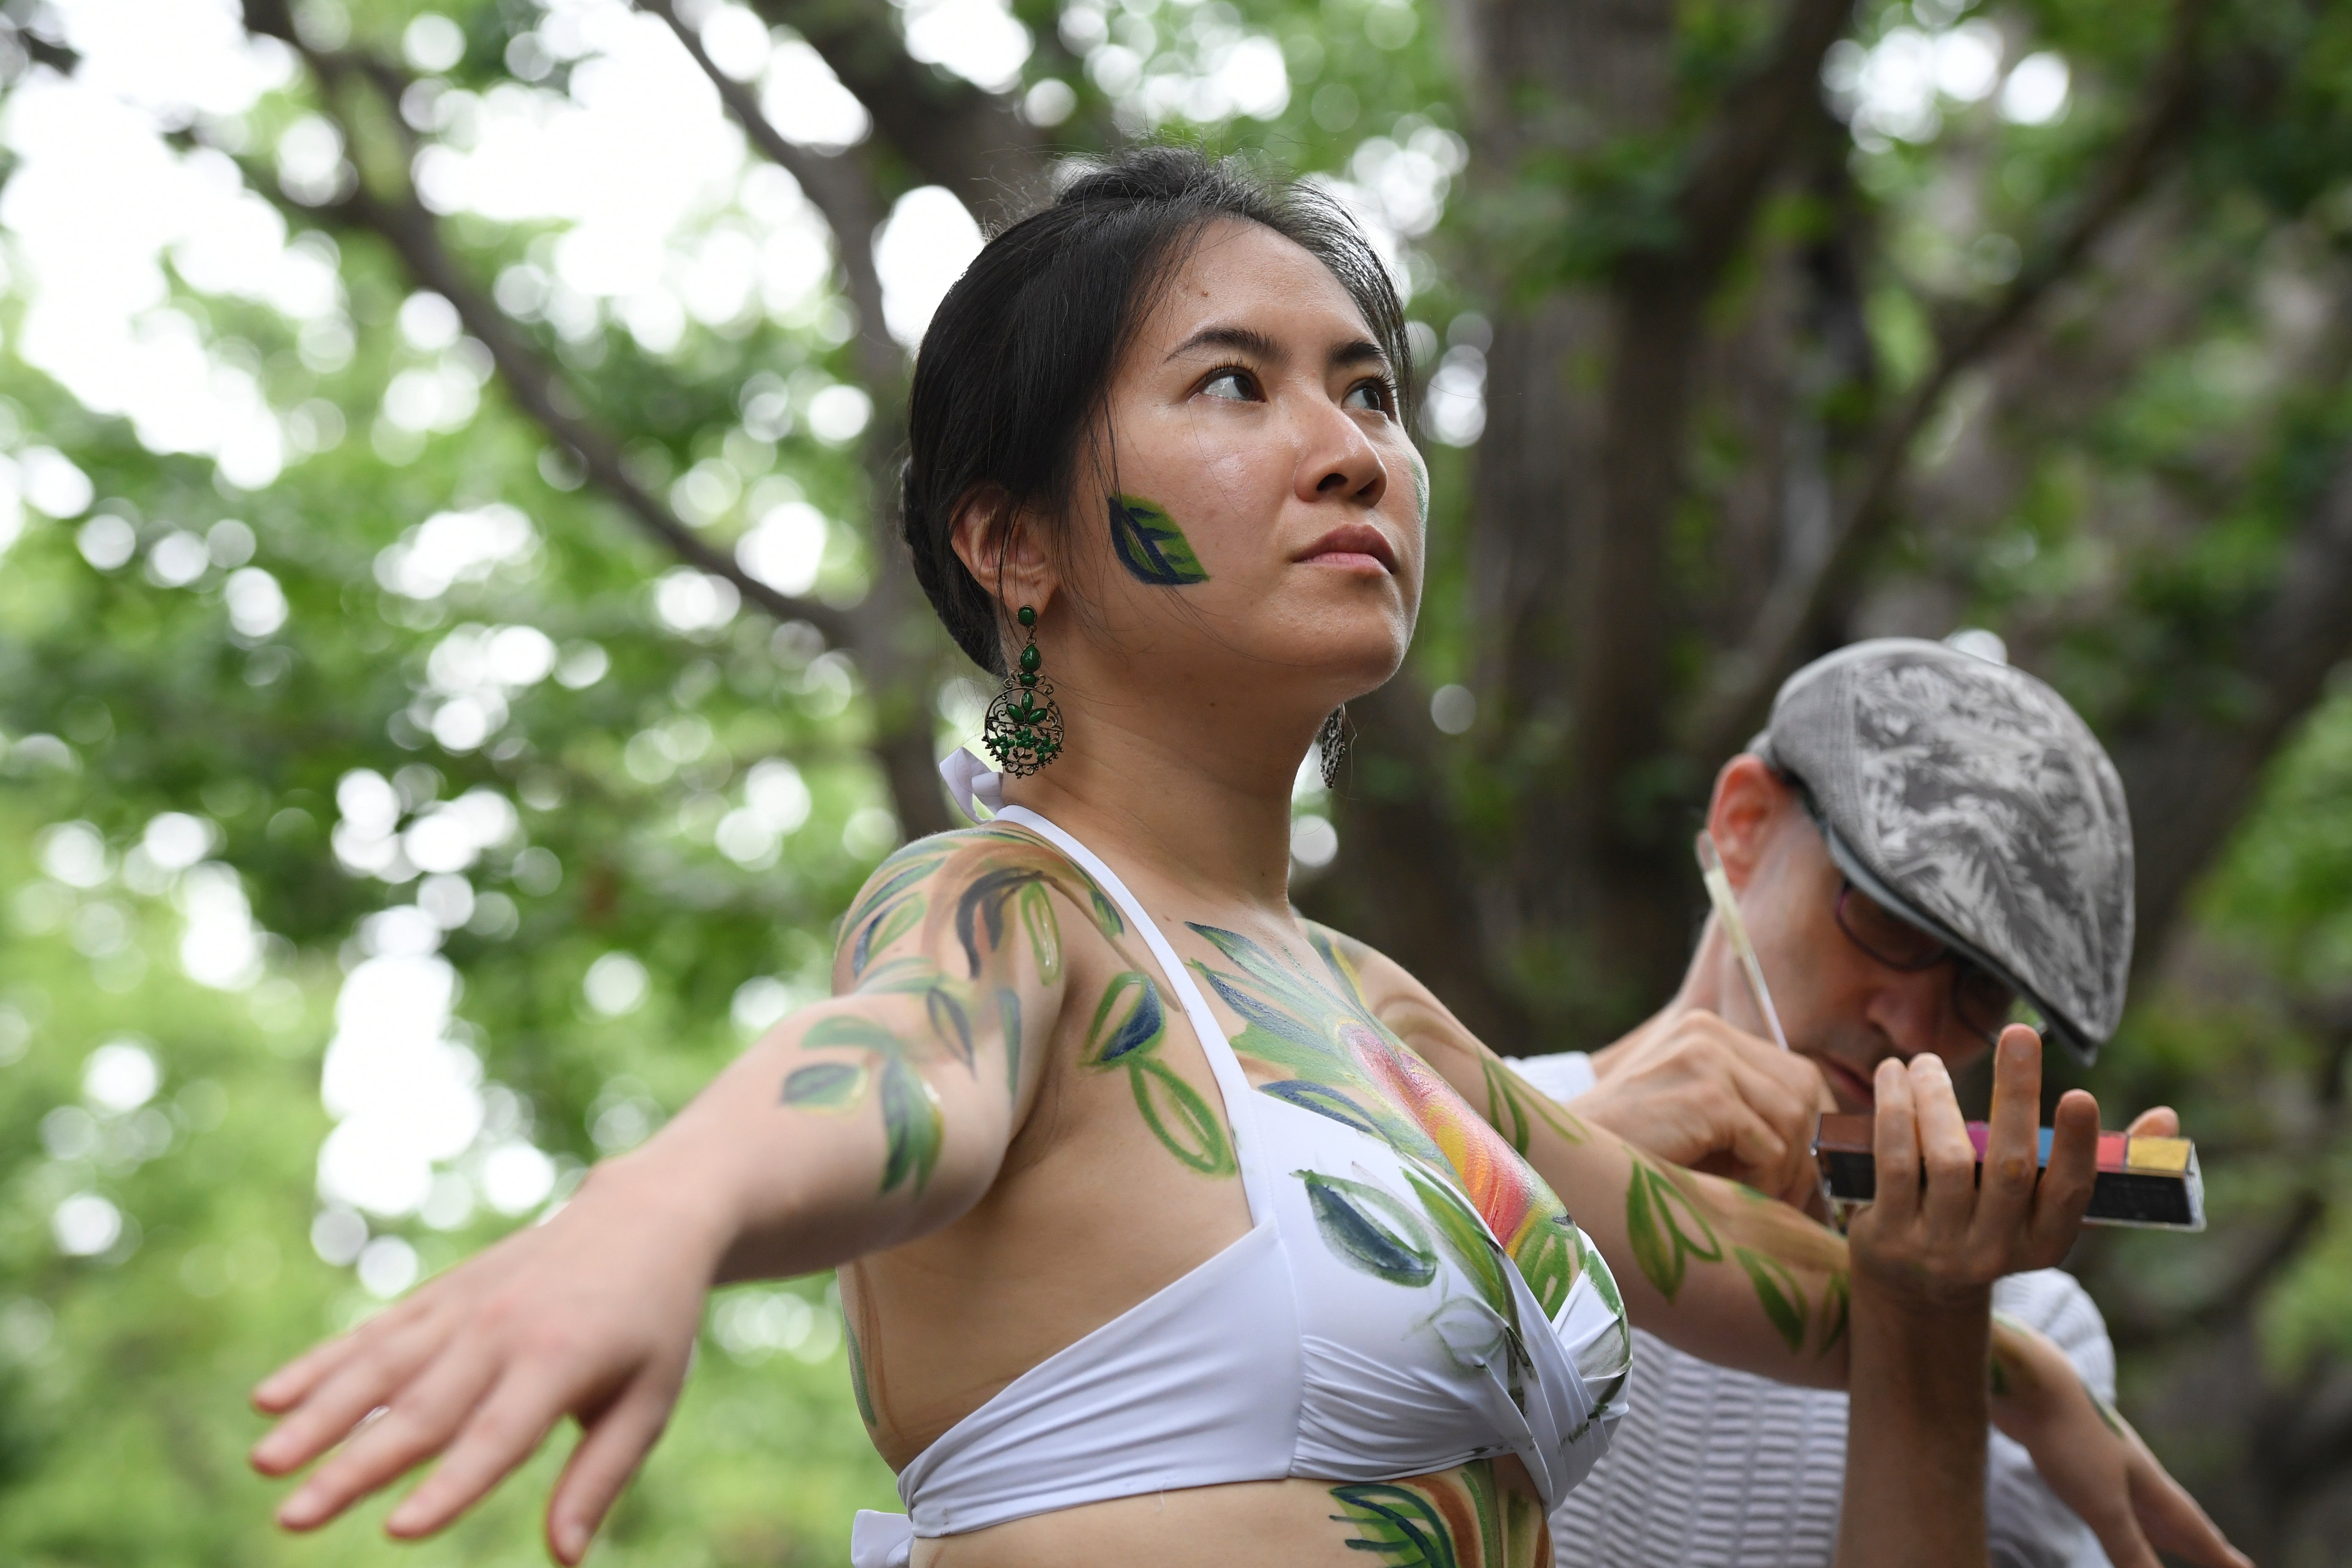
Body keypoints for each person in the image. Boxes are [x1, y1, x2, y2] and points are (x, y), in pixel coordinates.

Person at [246, 151, 2161, 1568]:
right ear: (1012, 542)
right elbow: (887, 1073)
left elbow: (1792, 1292)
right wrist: (651, 1217)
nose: (1349, 450)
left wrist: (1996, 1356)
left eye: (1369, 392)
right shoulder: (1014, 914)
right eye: (1235, 385)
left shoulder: (1388, 1029)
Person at [1515, 637, 2248, 1568]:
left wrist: (1936, 1322)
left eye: (1983, 987)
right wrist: (1542, 1194)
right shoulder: (1437, 1126)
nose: (1913, 1021)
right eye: (1889, 919)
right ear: (1744, 822)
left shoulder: (2032, 1317)